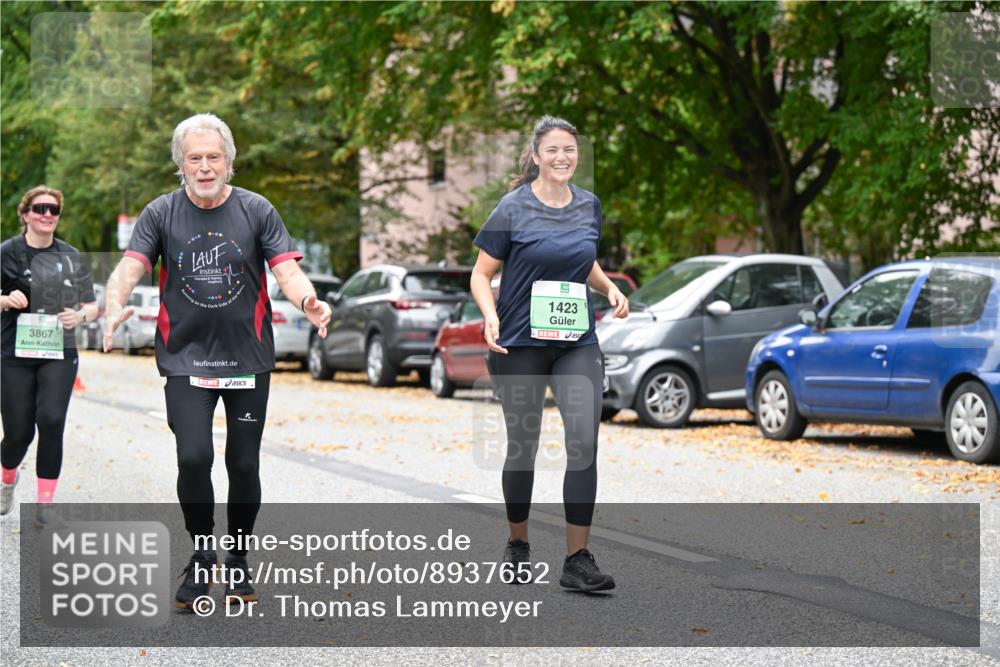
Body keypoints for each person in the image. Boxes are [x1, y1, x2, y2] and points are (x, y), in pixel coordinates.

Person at [102, 113, 332, 610]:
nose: (205, 167)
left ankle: (238, 558)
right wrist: (115, 301)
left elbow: (287, 271)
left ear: (229, 162)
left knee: (243, 463)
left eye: (214, 157)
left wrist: (308, 300)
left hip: (247, 358)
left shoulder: (257, 209)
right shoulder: (161, 213)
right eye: (195, 158)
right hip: (185, 358)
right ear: (180, 164)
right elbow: (130, 266)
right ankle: (203, 553)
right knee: (193, 457)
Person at [470, 116, 629, 593]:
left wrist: (608, 287)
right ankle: (518, 543)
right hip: (520, 341)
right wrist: (489, 314)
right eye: (553, 150)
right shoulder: (512, 207)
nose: (562, 157)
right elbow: (481, 274)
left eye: (570, 149)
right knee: (524, 445)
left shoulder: (589, 205)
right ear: (537, 156)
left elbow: (583, 259)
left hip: (576, 341)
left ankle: (577, 560)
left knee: (583, 443)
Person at [0, 186, 98, 524]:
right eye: (40, 208)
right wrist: (5, 300)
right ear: (25, 214)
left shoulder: (70, 256)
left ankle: (44, 506)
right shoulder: (7, 252)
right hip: (13, 352)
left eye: (53, 210)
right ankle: (7, 478)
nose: (47, 215)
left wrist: (79, 316)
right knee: (18, 433)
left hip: (59, 350)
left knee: (52, 420)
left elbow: (91, 305)